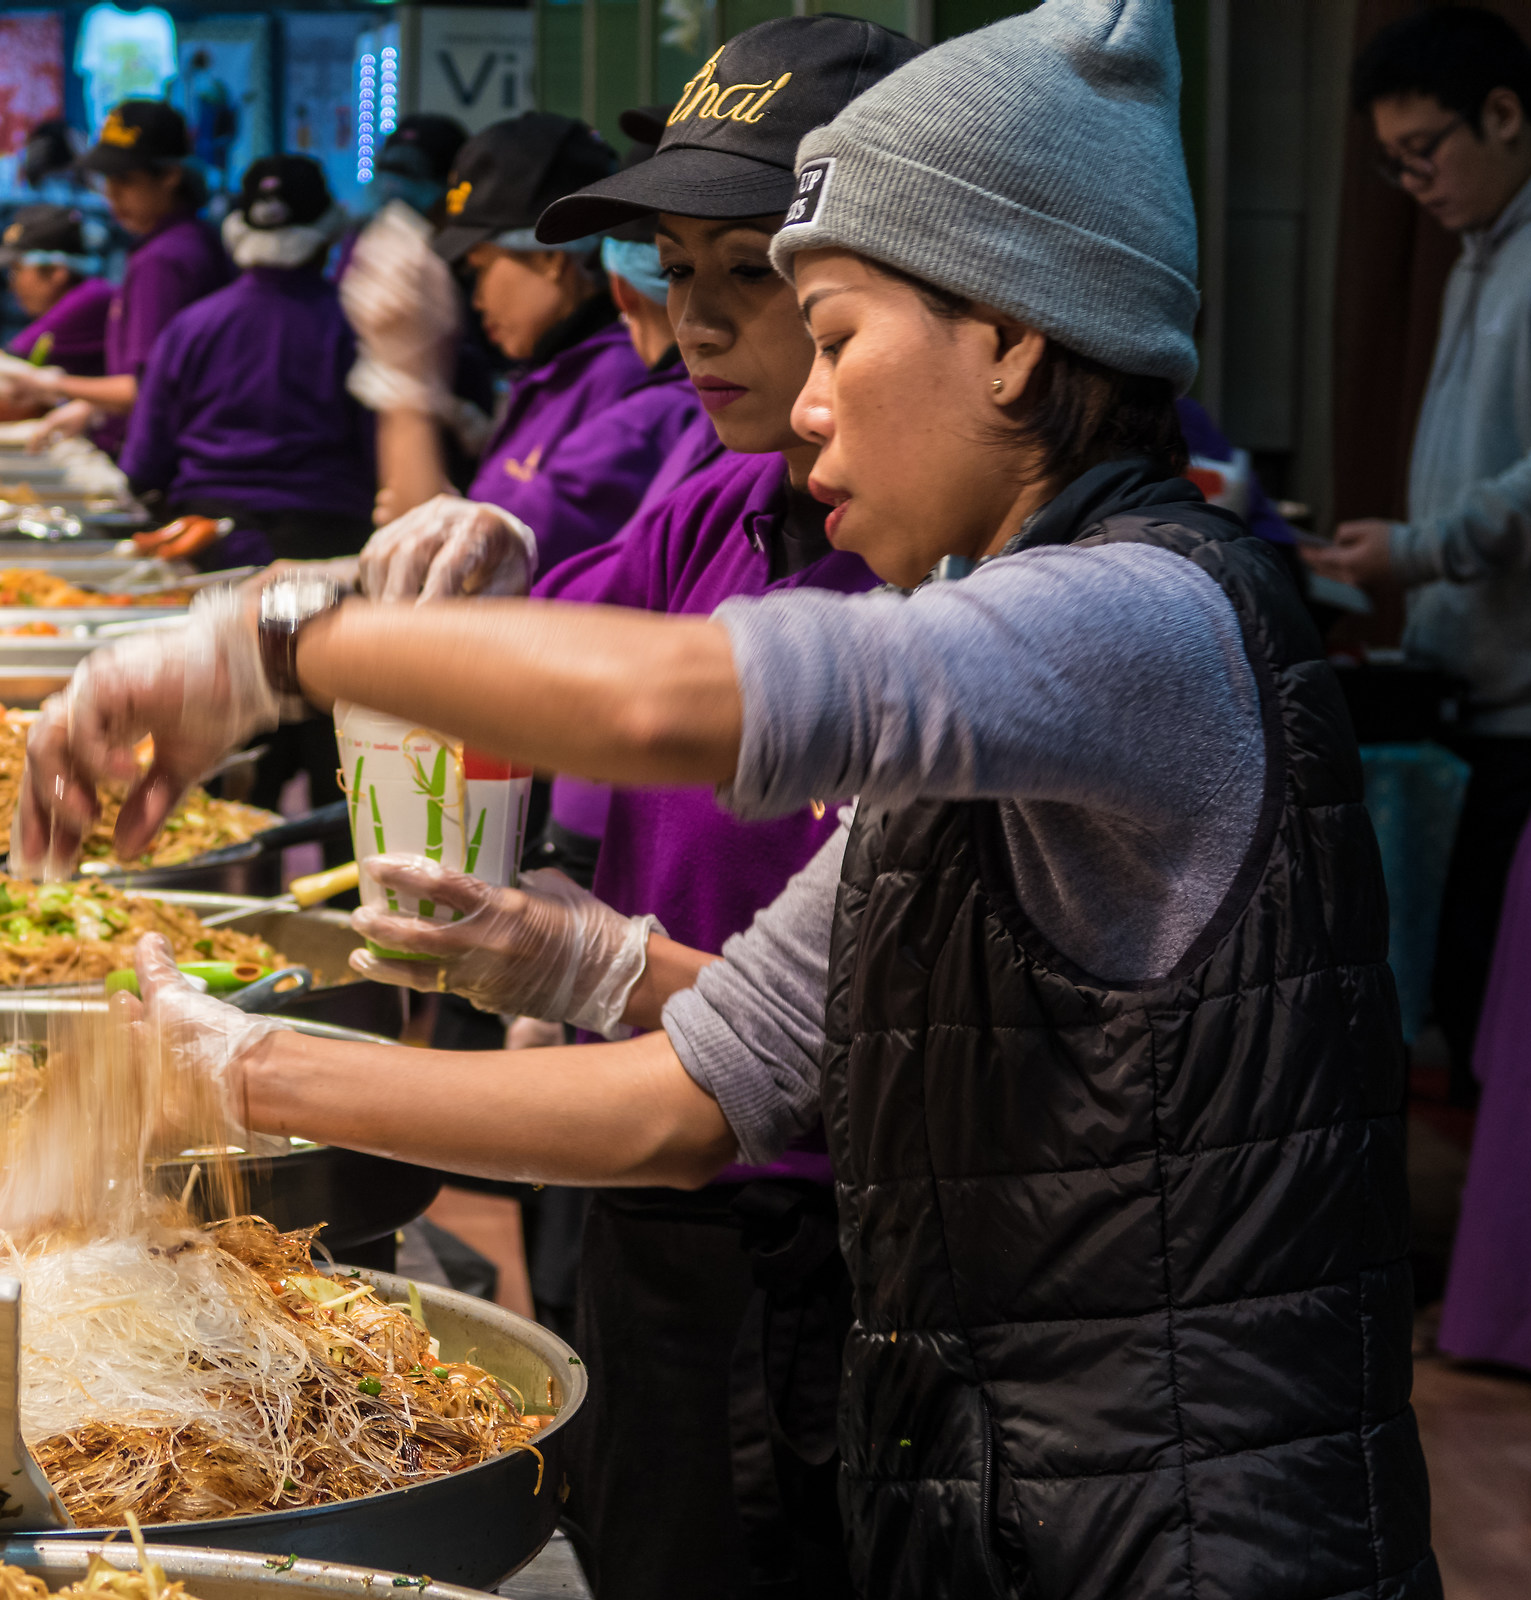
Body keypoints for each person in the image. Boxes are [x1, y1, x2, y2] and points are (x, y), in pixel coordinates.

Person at [16, 2, 1440, 1596]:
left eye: (830, 332)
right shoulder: (983, 707)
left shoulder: (1147, 620)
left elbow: (673, 700)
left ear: (1014, 337)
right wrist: (237, 1071)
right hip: (1003, 1497)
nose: (804, 401)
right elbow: (684, 1098)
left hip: (1179, 1536)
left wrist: (273, 645)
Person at [340, 22, 912, 1599]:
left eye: (758, 274)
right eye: (674, 271)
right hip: (659, 1206)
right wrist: (486, 582)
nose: (701, 323)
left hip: (826, 1234)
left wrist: (581, 966)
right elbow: (548, 662)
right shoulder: (718, 498)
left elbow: (660, 705)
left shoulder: (965, 602)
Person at [1308, 6, 1531, 1106]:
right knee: (1459, 1002)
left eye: (1424, 153)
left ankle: (1515, 1275)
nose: (1413, 186)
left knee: (1514, 1029)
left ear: (1502, 115)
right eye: (1391, 167)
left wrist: (1417, 551)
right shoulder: (1480, 250)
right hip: (1478, 693)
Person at [348, 113, 700, 572]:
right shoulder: (552, 374)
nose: (475, 299)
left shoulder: (623, 382)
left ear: (552, 257)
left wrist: (406, 387)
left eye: (482, 268)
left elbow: (455, 579)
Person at [120, 156, 371, 567]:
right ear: (330, 234)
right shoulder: (358, 329)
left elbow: (144, 465)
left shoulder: (191, 328)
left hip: (204, 544)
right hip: (329, 550)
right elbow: (382, 459)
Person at [15, 100, 235, 453]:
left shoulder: (164, 259)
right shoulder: (189, 240)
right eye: (108, 180)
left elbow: (146, 389)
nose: (113, 194)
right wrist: (91, 408)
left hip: (168, 455)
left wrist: (51, 384)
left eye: (126, 180)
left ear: (170, 176)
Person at [0, 205, 114, 374]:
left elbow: (5, 364)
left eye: (17, 270)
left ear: (57, 272)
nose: (11, 286)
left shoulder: (90, 297)